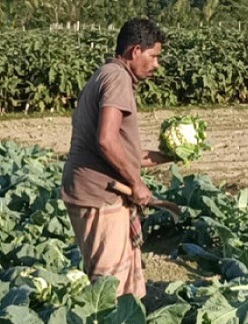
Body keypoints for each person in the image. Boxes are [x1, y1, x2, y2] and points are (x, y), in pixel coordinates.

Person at [61, 18, 174, 299]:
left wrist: (169, 156)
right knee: (108, 287)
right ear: (136, 51)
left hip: (97, 191)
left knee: (123, 282)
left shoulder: (108, 75)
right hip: (100, 195)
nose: (156, 64)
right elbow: (106, 140)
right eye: (154, 56)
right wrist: (136, 184)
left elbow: (122, 153)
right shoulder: (117, 78)